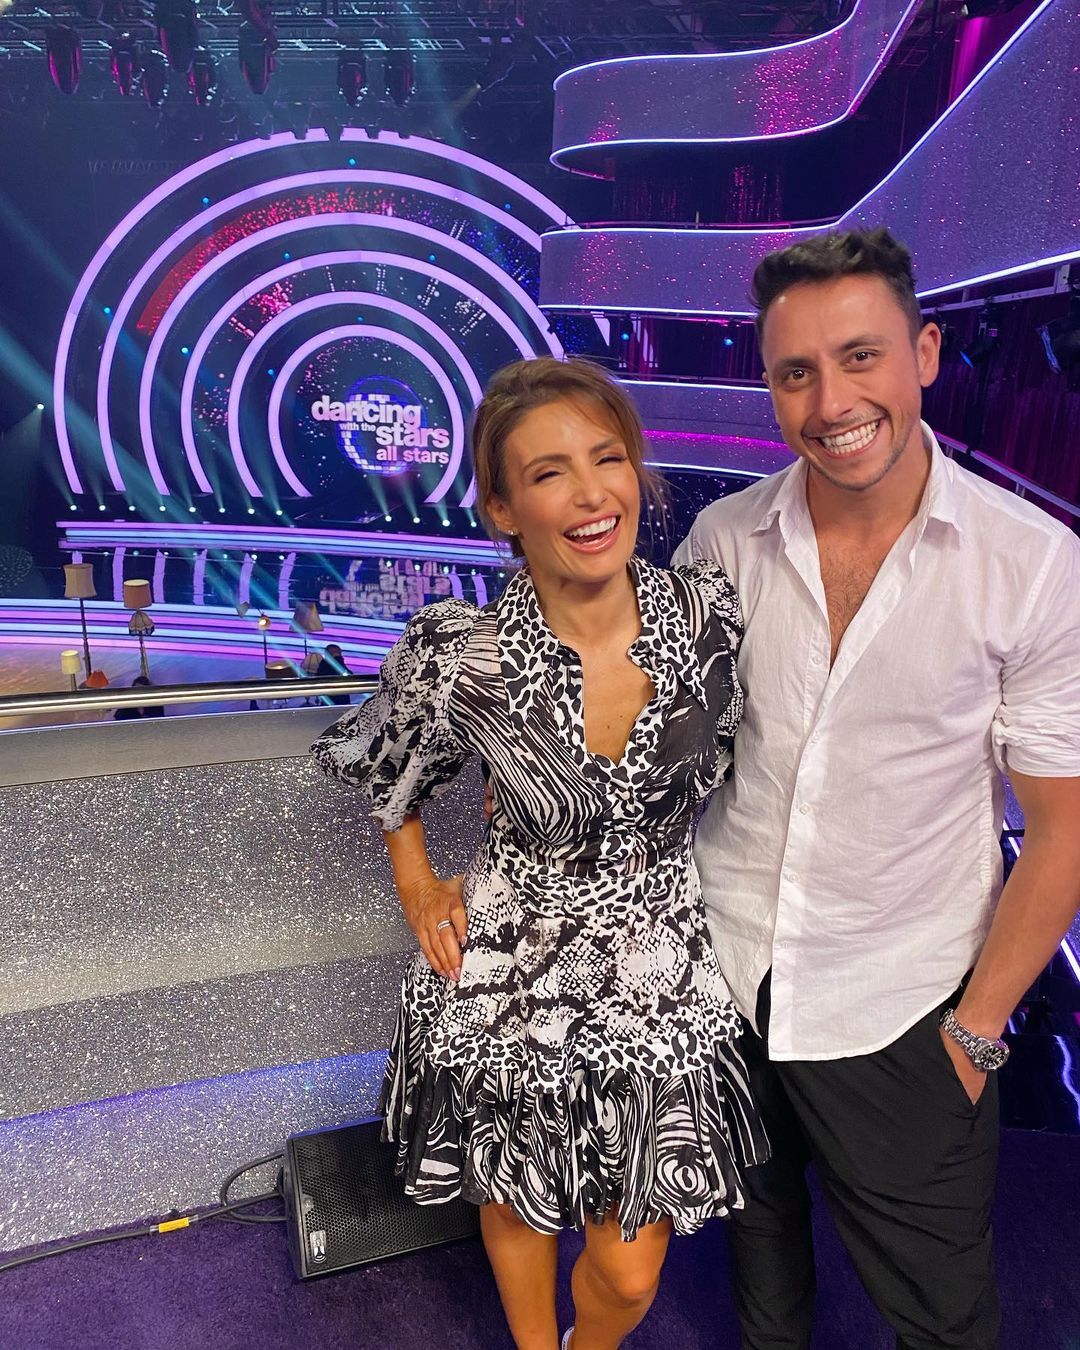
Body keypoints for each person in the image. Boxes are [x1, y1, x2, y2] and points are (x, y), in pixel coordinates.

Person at [674, 226, 1080, 1349]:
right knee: (761, 1274)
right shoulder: (723, 540)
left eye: (861, 357)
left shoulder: (1032, 563)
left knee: (942, 1318)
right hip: (728, 970)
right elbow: (673, 753)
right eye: (796, 372)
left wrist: (978, 1034)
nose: (832, 401)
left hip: (903, 1006)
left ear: (926, 354)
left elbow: (1063, 831)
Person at [312, 357, 769, 1350]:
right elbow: (387, 768)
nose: (592, 493)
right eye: (550, 473)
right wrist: (417, 886)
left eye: (608, 458)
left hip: (658, 951)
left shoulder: (708, 616)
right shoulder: (460, 650)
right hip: (513, 954)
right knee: (517, 1191)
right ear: (503, 510)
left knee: (629, 1267)